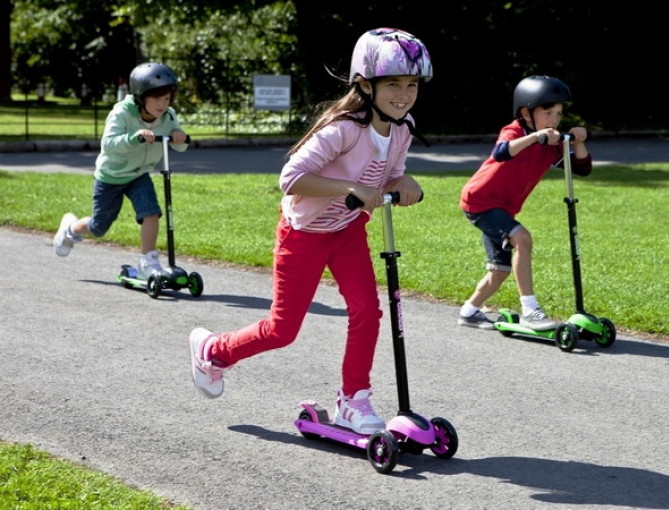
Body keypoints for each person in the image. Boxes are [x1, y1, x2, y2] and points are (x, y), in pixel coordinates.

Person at [188, 27, 431, 434]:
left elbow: (386, 179)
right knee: (282, 330)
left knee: (368, 310)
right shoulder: (343, 130)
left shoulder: (403, 128)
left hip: (348, 230)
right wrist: (347, 188)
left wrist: (402, 184)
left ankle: (353, 399)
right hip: (303, 233)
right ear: (365, 84)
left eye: (411, 84)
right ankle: (214, 350)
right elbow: (291, 177)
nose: (404, 93)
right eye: (393, 83)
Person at [458, 75, 592, 331]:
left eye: (558, 114)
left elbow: (581, 169)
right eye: (548, 113)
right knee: (523, 239)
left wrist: (579, 142)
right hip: (480, 201)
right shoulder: (515, 131)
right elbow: (501, 152)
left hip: (501, 208)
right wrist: (535, 137)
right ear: (526, 113)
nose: (554, 120)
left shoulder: (551, 144)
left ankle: (469, 312)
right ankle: (530, 310)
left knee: (500, 269)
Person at [53, 62, 189, 278]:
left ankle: (148, 261)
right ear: (140, 97)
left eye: (167, 98)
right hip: (111, 176)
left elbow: (179, 144)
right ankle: (71, 229)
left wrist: (180, 136)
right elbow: (109, 144)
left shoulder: (169, 116)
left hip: (139, 175)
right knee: (99, 227)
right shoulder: (122, 113)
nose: (163, 104)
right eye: (157, 98)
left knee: (151, 213)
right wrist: (134, 138)